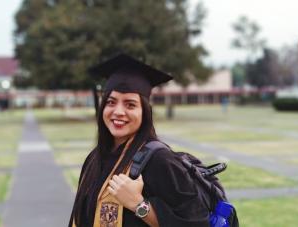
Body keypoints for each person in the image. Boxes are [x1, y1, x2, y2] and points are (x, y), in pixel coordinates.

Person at [68, 54, 210, 227]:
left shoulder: (160, 161)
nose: (118, 111)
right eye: (111, 102)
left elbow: (197, 223)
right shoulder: (94, 158)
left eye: (130, 104)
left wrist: (139, 205)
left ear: (144, 112)